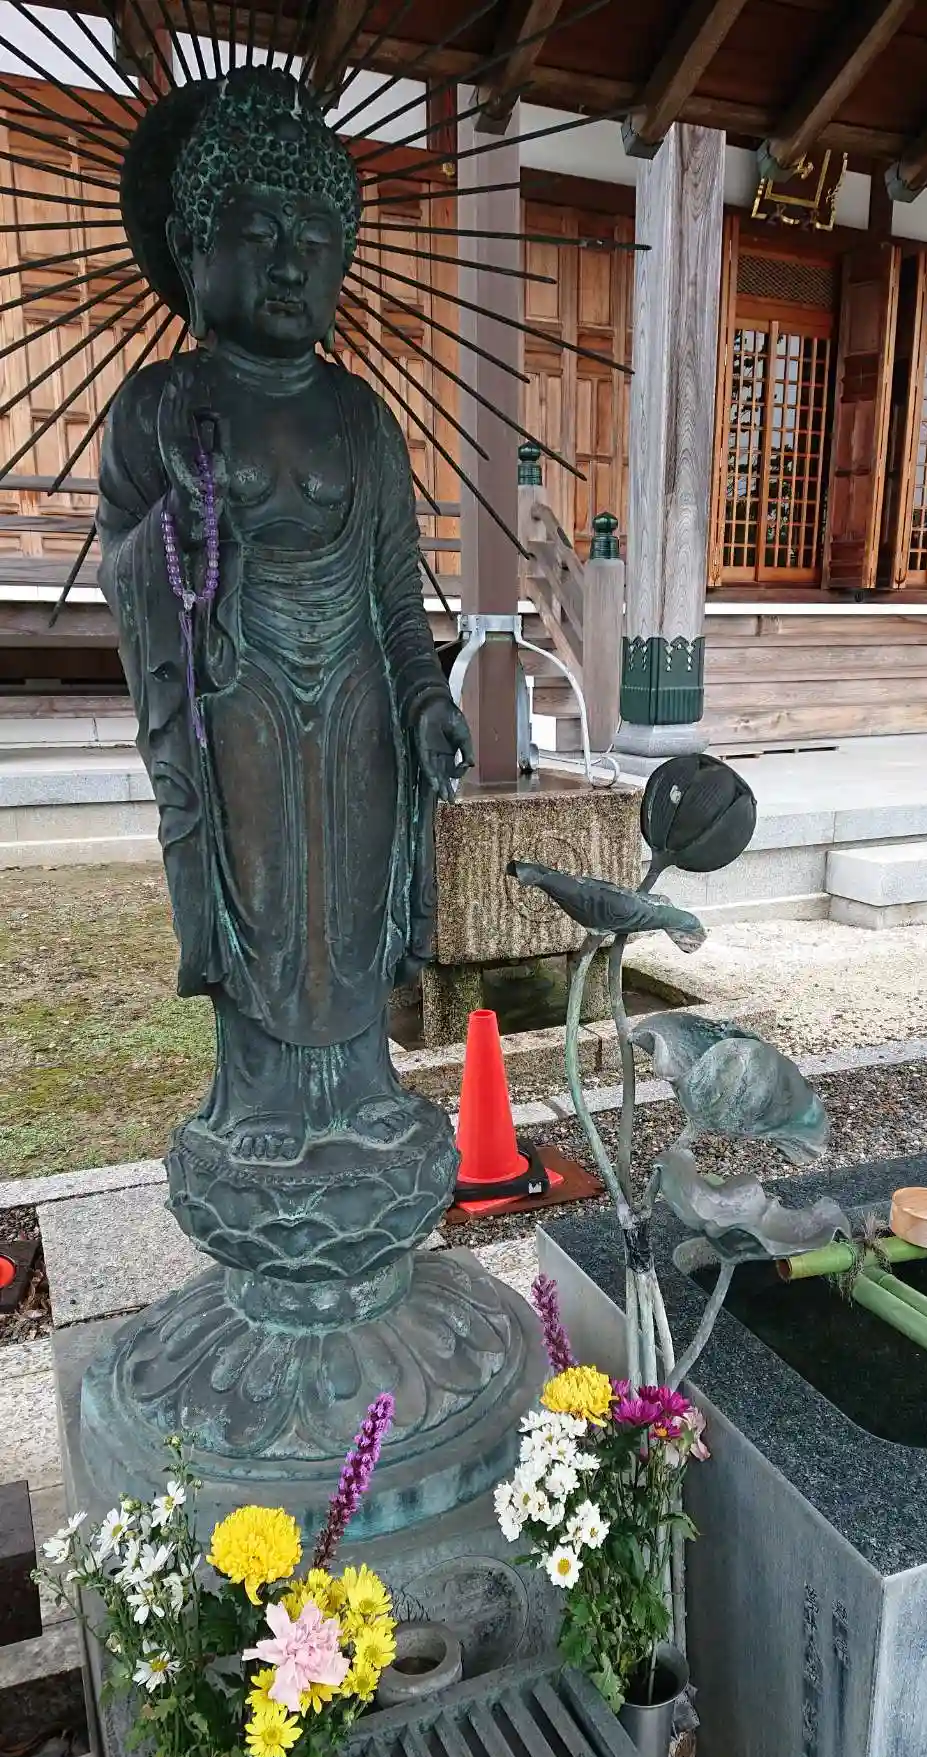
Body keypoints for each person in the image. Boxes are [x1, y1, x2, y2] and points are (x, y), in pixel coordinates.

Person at [97, 67, 472, 1187]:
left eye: (316, 238)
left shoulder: (360, 415)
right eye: (257, 235)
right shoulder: (160, 406)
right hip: (235, 692)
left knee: (351, 899)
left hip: (357, 693)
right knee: (258, 894)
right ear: (192, 248)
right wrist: (175, 538)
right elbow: (122, 559)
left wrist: (424, 694)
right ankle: (259, 1092)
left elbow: (395, 584)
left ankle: (362, 1082)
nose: (291, 264)